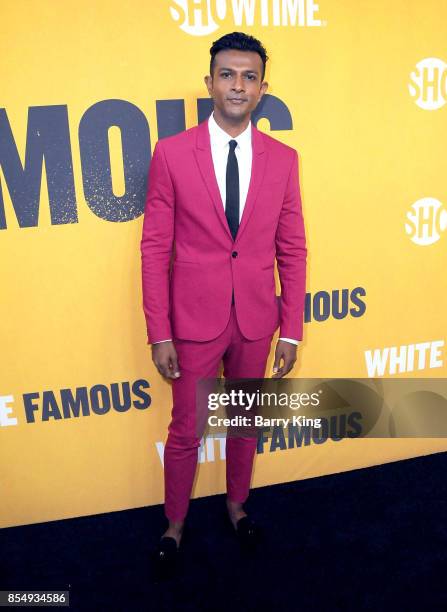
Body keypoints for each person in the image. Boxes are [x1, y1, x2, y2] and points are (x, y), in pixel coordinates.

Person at [140, 31, 307, 569]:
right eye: (228, 75)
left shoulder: (284, 159)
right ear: (209, 81)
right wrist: (159, 331)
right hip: (192, 322)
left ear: (263, 88)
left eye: (249, 77)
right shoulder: (171, 154)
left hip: (258, 320)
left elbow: (293, 246)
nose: (238, 85)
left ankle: (237, 507)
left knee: (245, 423)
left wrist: (294, 327)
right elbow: (155, 248)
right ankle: (174, 524)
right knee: (186, 429)